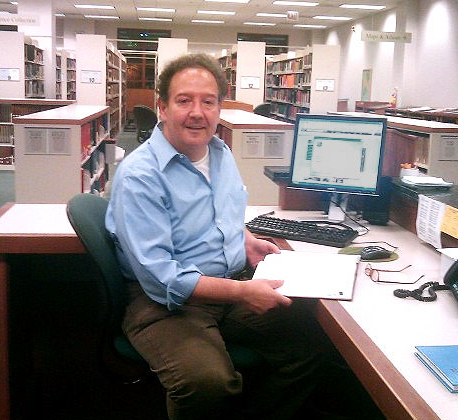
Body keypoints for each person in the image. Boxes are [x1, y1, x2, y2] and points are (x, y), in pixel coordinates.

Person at [106, 53, 321, 420]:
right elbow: (162, 278)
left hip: (228, 287)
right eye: (184, 100)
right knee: (207, 383)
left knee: (312, 339)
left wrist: (245, 237)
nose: (197, 112)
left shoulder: (219, 153)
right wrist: (242, 291)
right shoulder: (140, 175)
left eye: (208, 102)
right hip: (166, 305)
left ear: (220, 108)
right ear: (162, 107)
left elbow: (222, 213)